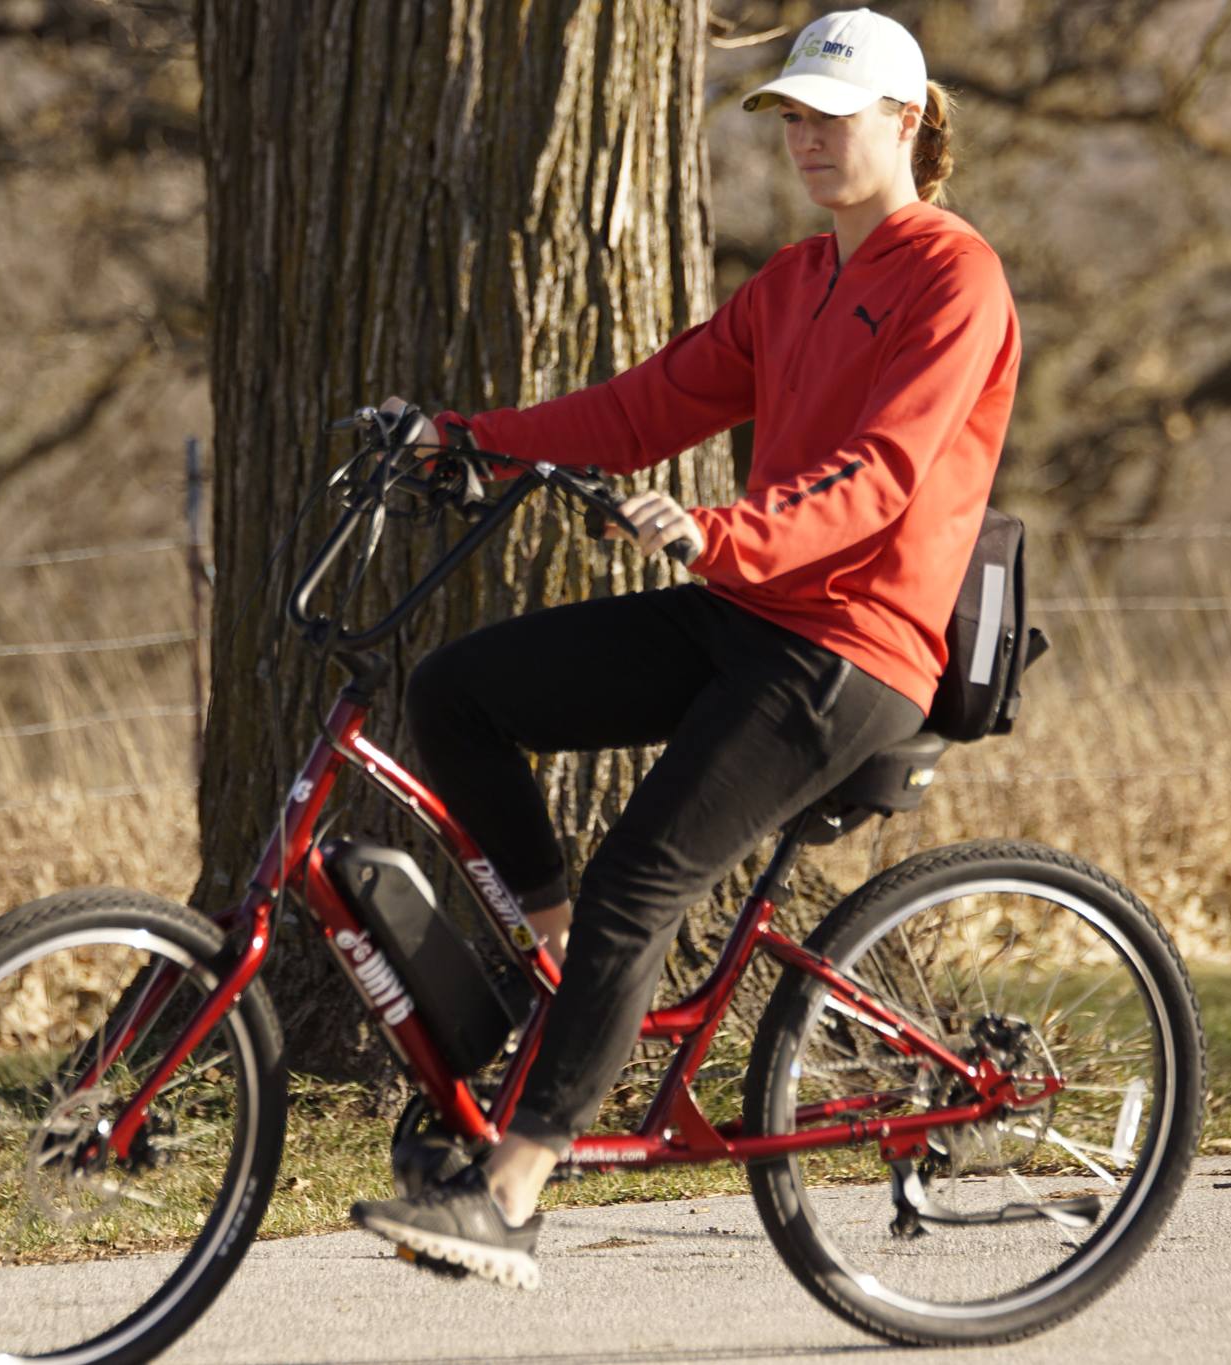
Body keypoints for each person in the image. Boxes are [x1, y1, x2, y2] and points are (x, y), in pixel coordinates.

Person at [350, 8, 1021, 1289]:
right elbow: (642, 409)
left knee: (638, 880)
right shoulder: (795, 281)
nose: (808, 139)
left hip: (849, 649)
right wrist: (467, 438)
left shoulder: (954, 279)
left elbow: (881, 474)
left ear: (905, 123)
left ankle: (510, 1194)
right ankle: (565, 983)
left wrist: (724, 534)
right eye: (793, 118)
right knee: (459, 693)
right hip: (746, 611)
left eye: (834, 117)